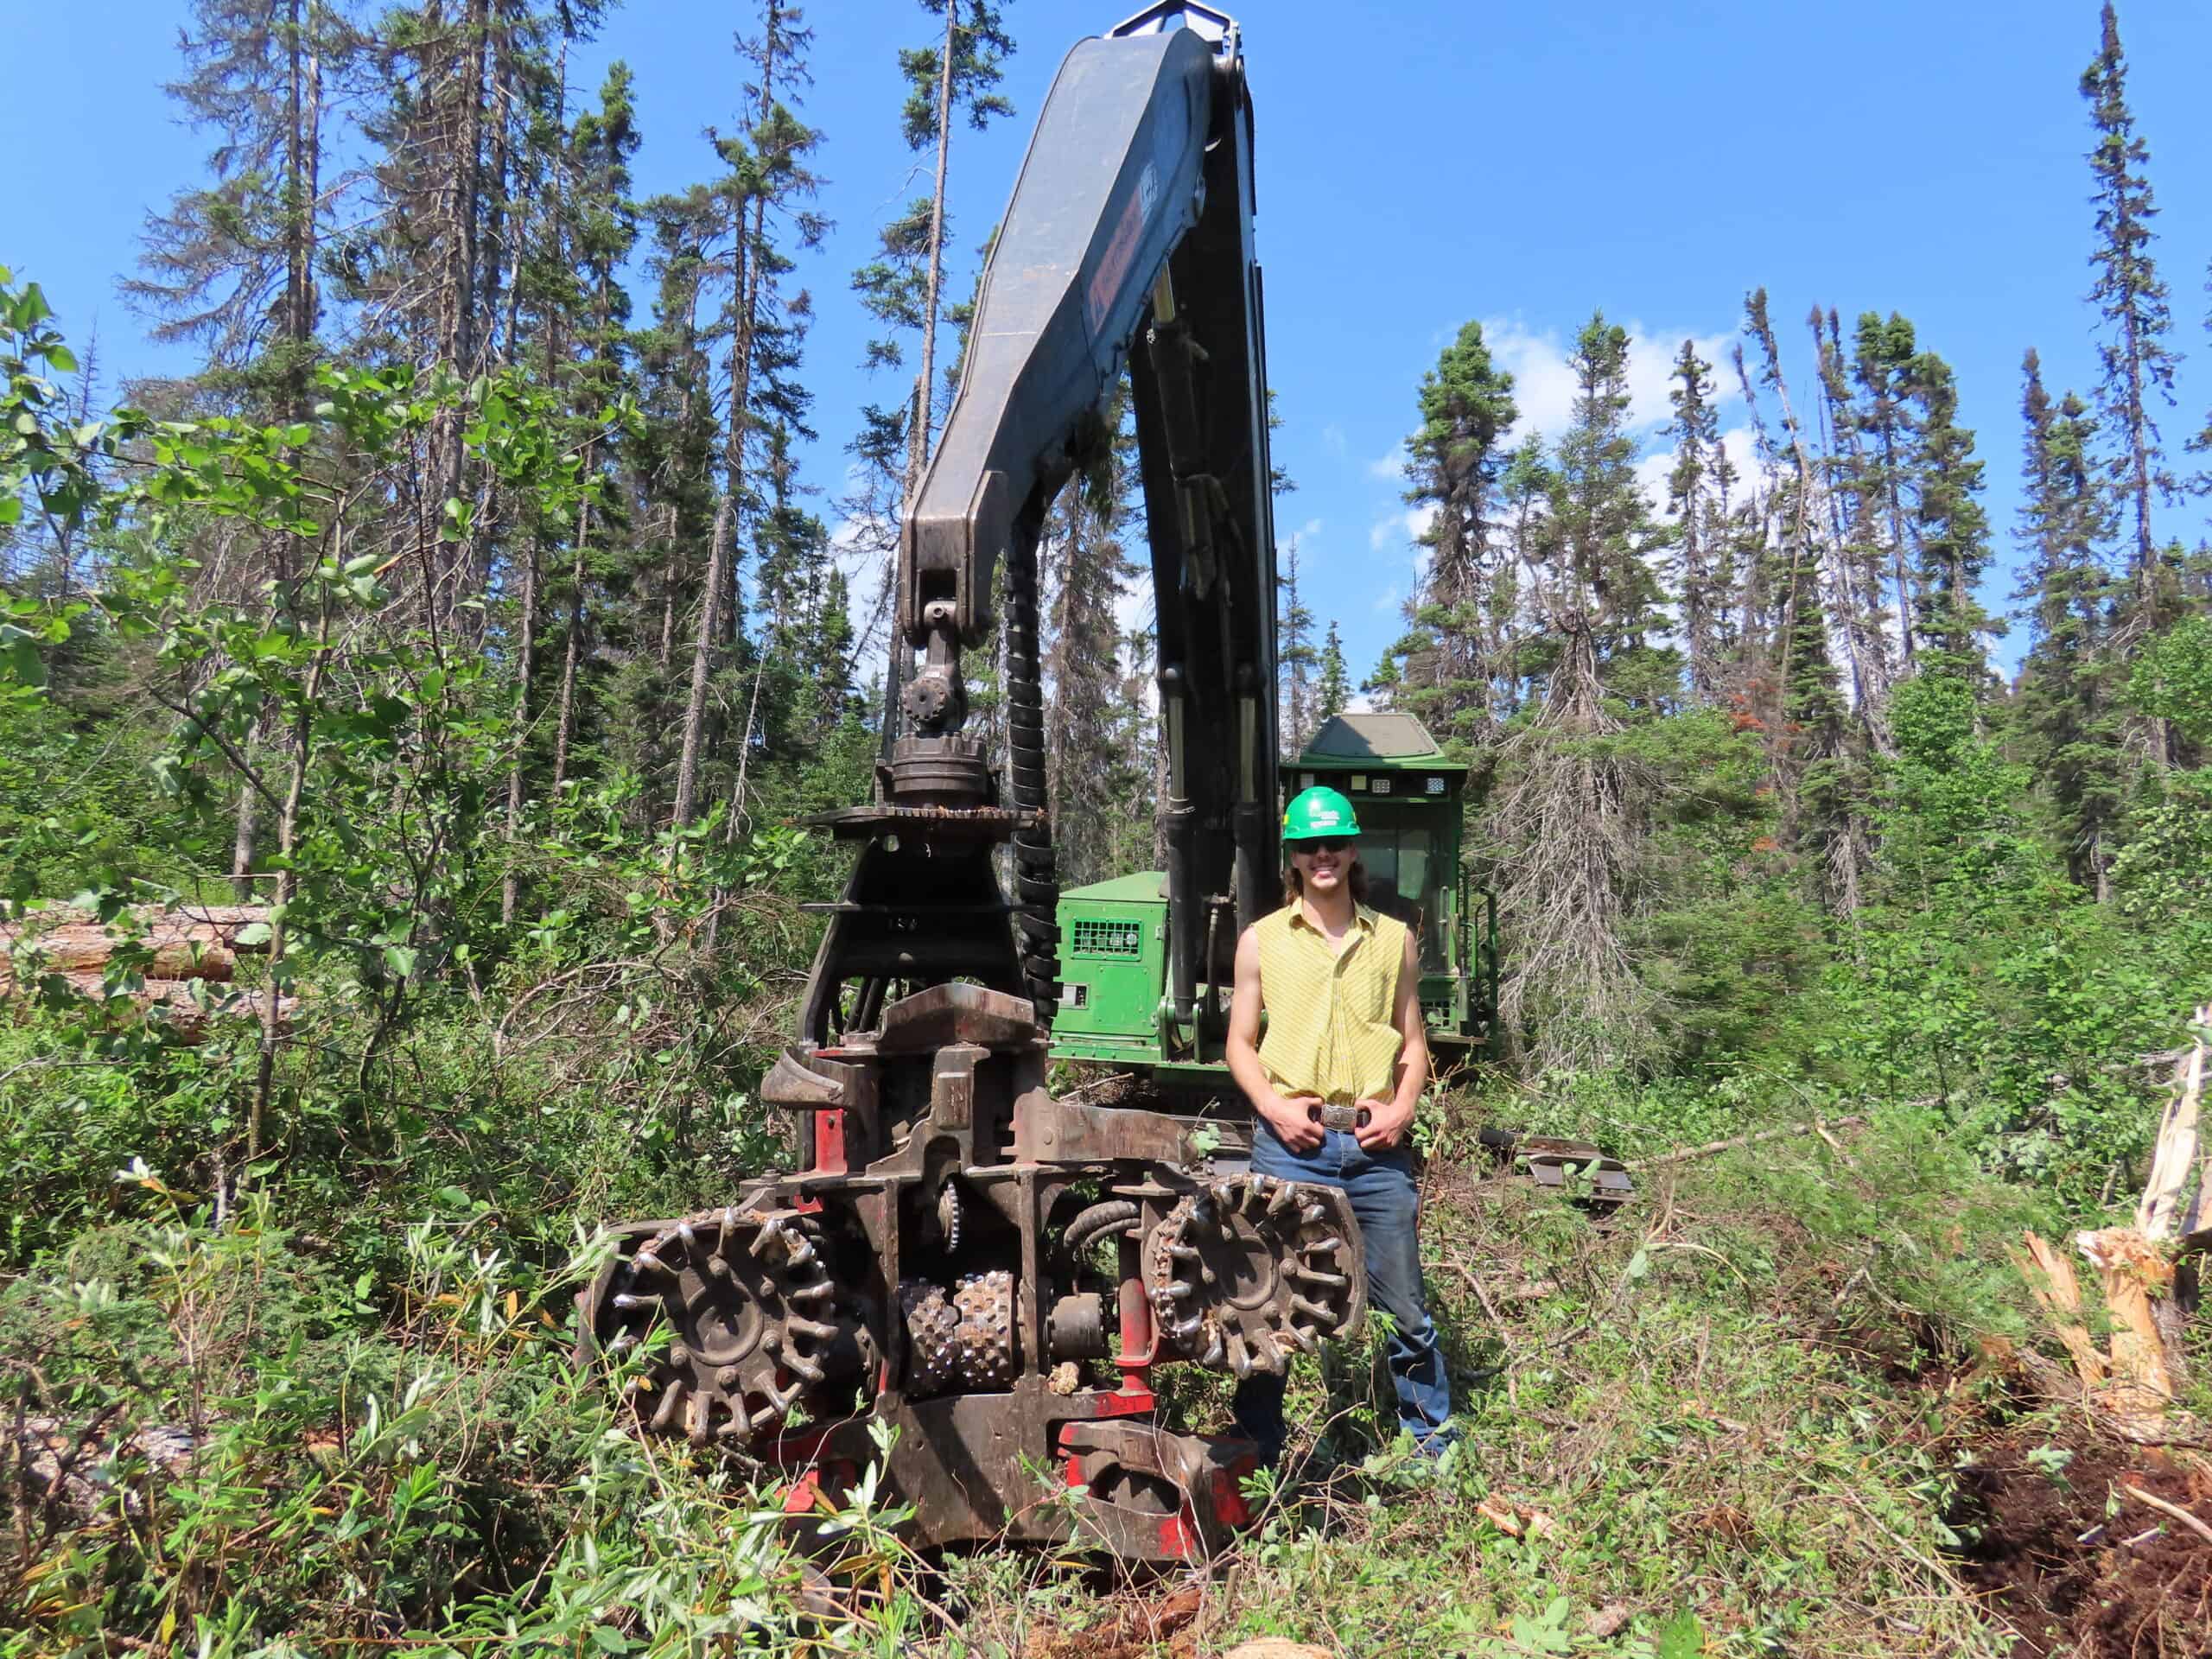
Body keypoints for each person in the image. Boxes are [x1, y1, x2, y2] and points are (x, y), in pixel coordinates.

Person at [1224, 785, 1452, 1465]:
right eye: (1308, 846)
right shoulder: (1261, 941)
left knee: (1405, 1308)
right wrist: (1274, 1108)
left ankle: (1432, 1447)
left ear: (1354, 852)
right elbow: (1239, 1043)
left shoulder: (1395, 941)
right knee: (1273, 1305)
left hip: (1376, 1150)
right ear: (1293, 858)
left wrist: (1404, 1106)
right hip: (1293, 1145)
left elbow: (1414, 1044)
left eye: (1335, 844)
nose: (1323, 856)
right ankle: (1260, 1451)